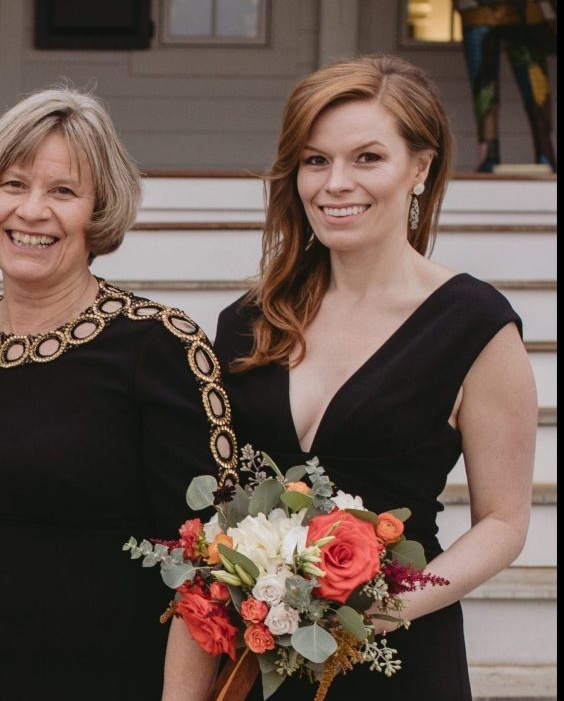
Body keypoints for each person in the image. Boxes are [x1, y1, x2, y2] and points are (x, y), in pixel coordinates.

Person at [182, 54, 537, 700]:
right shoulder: (247, 322)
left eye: (367, 158)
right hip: (257, 658)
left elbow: (505, 522)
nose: (334, 183)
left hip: (399, 654)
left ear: (420, 167)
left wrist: (386, 606)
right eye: (315, 160)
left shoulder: (474, 325)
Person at [0, 87, 237, 698]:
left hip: (116, 676)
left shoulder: (159, 346)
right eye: (13, 184)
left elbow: (209, 562)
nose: (31, 211)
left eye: (62, 191)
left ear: (100, 212)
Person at [456, 0, 557, 171]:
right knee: (484, 91)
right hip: (478, 10)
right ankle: (489, 155)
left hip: (525, 12)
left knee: (536, 90)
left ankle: (545, 153)